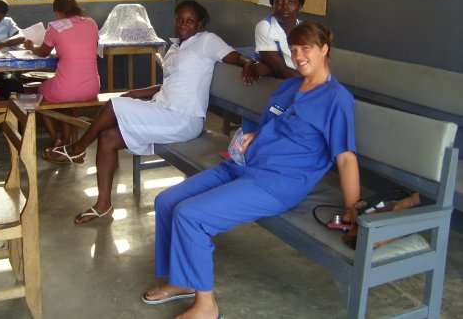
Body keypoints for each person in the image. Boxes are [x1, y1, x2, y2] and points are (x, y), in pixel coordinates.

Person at [142, 21, 360, 319]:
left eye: (306, 48)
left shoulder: (336, 99)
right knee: (166, 201)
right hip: (244, 165)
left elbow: (346, 158)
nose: (298, 56)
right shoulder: (290, 86)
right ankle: (183, 280)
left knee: (191, 216)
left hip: (277, 183)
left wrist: (353, 209)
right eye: (294, 50)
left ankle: (206, 306)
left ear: (324, 49)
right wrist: (256, 136)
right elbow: (276, 124)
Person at [43, 0, 259, 224]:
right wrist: (136, 92)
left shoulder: (207, 41)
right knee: (107, 138)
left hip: (184, 118)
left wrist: (249, 64)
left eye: (190, 21)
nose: (183, 25)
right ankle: (103, 205)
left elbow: (235, 57)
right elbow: (169, 85)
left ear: (200, 23)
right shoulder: (175, 48)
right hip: (162, 110)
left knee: (113, 106)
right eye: (179, 19)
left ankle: (77, 148)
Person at [24, 0, 100, 147]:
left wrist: (31, 46)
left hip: (66, 90)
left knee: (35, 93)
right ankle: (66, 141)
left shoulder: (55, 27)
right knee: (67, 103)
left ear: (58, 12)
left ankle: (54, 140)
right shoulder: (91, 23)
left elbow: (43, 52)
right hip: (92, 89)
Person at [253, 0, 304, 79]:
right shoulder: (265, 27)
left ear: (300, 6)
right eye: (279, 2)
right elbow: (280, 70)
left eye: (291, 2)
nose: (285, 7)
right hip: (279, 82)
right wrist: (311, 84)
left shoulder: (306, 29)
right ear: (272, 5)